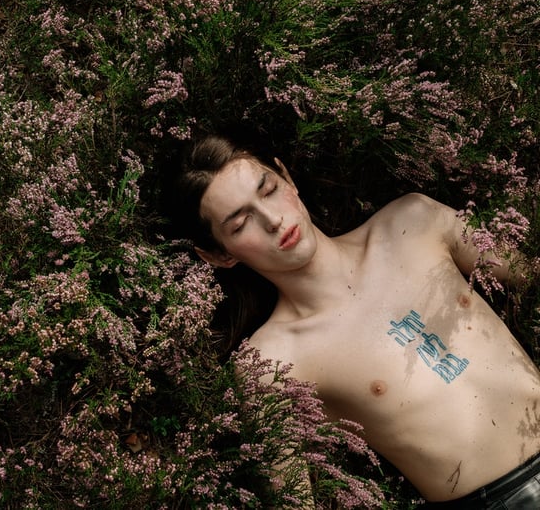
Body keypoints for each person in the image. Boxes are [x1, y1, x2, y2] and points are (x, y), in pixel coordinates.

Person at [169, 134, 540, 508]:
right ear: (219, 255)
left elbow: (529, 274)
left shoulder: (414, 221)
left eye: (268, 190)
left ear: (287, 178)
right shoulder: (272, 362)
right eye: (240, 224)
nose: (272, 219)